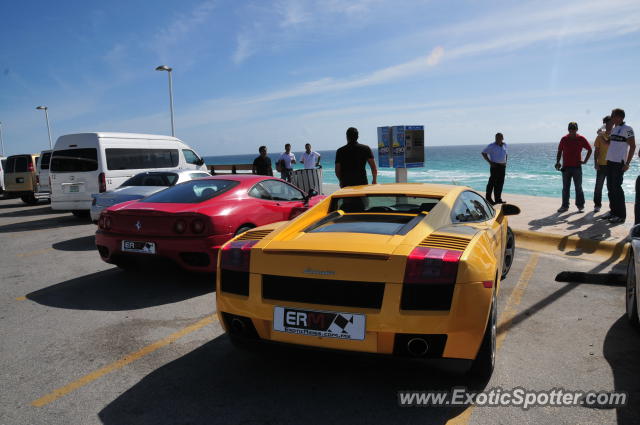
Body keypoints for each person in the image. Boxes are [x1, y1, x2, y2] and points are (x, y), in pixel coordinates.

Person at [601, 108, 635, 224]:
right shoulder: (615, 129)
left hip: (618, 162)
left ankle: (621, 215)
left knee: (617, 188)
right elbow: (608, 143)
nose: (611, 118)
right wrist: (601, 135)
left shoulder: (628, 129)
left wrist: (627, 163)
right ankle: (613, 212)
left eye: (613, 116)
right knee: (610, 187)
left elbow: (633, 146)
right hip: (610, 161)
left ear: (620, 117)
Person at [555, 122, 592, 213]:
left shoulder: (581, 139)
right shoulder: (564, 139)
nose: (572, 130)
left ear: (577, 129)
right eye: (570, 128)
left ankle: (580, 206)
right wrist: (558, 162)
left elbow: (590, 149)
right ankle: (565, 206)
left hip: (577, 167)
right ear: (568, 129)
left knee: (578, 187)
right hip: (566, 168)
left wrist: (585, 161)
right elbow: (560, 151)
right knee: (565, 188)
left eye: (574, 128)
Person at [592, 116, 612, 212]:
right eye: (606, 124)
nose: (608, 126)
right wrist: (595, 163)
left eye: (609, 123)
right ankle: (597, 205)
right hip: (602, 164)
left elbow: (609, 144)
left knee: (611, 187)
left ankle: (612, 207)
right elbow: (596, 151)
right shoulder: (599, 136)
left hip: (612, 164)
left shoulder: (615, 134)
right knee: (598, 187)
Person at [481, 132, 508, 205]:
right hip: (495, 166)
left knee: (500, 183)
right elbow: (483, 153)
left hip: (502, 167)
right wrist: (490, 162)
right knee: (491, 183)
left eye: (499, 138)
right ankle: (488, 199)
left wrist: (505, 162)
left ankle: (498, 199)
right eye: (496, 138)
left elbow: (506, 154)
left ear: (502, 138)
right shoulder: (492, 145)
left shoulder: (505, 145)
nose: (497, 139)